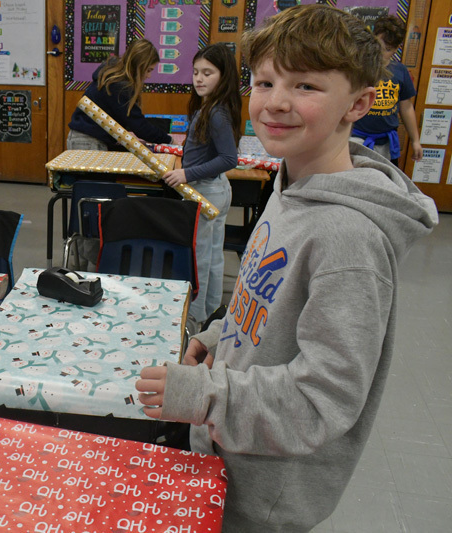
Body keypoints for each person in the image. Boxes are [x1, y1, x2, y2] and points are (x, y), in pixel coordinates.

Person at [135, 5, 438, 532]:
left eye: (306, 87)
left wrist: (205, 395)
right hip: (228, 451)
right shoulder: (290, 185)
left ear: (359, 103)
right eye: (265, 81)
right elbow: (266, 293)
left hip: (262, 494)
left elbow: (323, 399)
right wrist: (220, 331)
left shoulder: (348, 240)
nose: (276, 102)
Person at [162, 43, 241, 329]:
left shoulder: (217, 113)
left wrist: (186, 173)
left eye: (208, 73)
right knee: (210, 255)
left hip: (206, 191)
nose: (199, 78)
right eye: (196, 72)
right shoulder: (208, 107)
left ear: (224, 76)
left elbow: (229, 158)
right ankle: (208, 313)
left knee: (200, 259)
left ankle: (194, 319)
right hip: (210, 188)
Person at [67, 38, 173, 151]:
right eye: (148, 70)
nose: (149, 76)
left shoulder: (114, 77)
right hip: (88, 142)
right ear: (140, 67)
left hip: (83, 139)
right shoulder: (120, 86)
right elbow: (139, 126)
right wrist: (169, 140)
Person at [352, 14, 423, 167]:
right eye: (379, 45)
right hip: (357, 138)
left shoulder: (400, 71)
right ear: (373, 39)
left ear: (396, 49)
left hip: (386, 143)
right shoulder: (358, 68)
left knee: (386, 181)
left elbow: (406, 107)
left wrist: (416, 141)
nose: (381, 52)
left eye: (388, 49)